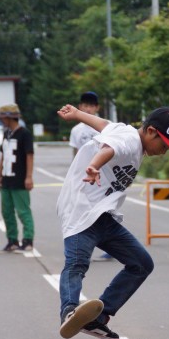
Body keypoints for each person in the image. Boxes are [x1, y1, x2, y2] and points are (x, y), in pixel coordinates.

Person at [56, 103, 169, 339]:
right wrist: (94, 166)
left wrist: (77, 114)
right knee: (76, 264)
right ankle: (69, 311)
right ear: (150, 131)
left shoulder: (122, 130)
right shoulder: (129, 139)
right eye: (165, 145)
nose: (166, 151)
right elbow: (110, 148)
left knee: (141, 263)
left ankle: (99, 317)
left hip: (104, 217)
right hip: (81, 211)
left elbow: (104, 126)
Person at [69, 91, 114, 262]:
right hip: (85, 176)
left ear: (97, 108)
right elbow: (75, 154)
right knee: (83, 211)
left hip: (104, 175)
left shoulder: (106, 126)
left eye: (91, 106)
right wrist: (74, 174)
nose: (87, 109)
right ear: (80, 107)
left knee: (105, 210)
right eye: (84, 106)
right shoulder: (76, 130)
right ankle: (83, 249)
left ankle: (111, 247)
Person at [0, 104, 35, 253]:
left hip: (20, 179)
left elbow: (29, 155)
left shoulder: (24, 134)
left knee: (23, 211)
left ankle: (28, 240)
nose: (0, 120)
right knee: (7, 212)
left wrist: (29, 177)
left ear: (9, 117)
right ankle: (12, 240)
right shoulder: (6, 133)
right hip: (6, 179)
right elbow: (3, 155)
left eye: (2, 117)